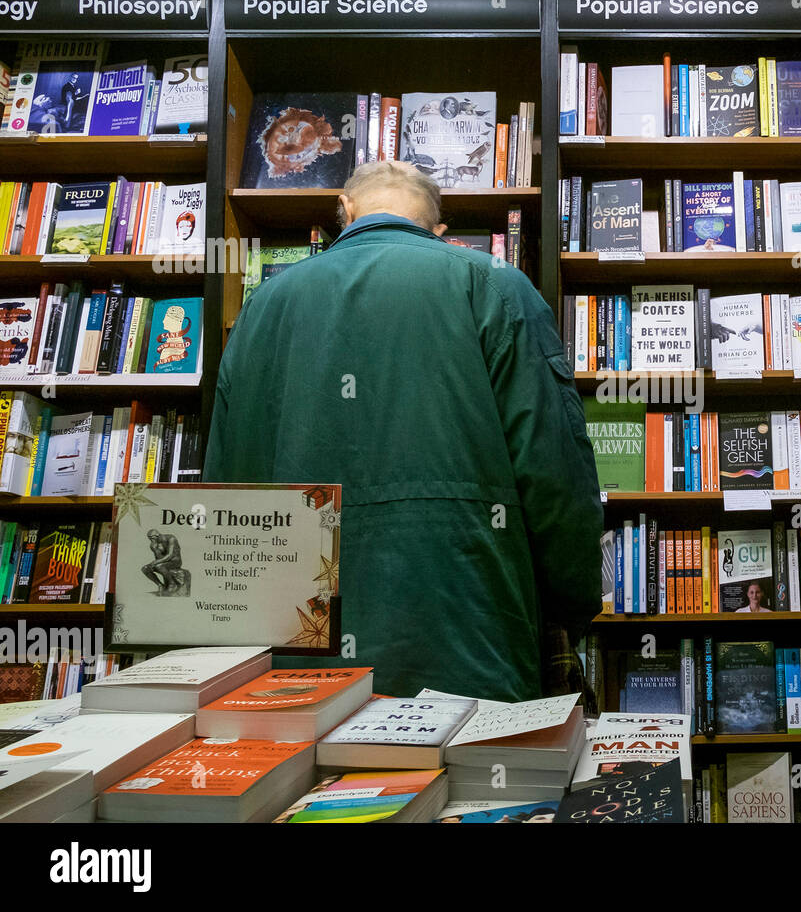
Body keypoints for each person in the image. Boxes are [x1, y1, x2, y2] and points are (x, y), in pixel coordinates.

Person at [205, 160, 603, 701]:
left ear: (343, 213)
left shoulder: (263, 308)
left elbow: (231, 481)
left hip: (297, 651)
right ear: (438, 229)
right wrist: (568, 607)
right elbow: (556, 474)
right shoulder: (495, 285)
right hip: (469, 635)